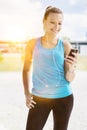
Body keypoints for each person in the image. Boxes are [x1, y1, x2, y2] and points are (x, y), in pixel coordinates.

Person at [22, 6, 78, 130]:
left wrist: (72, 67)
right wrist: (26, 93)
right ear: (44, 21)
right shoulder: (32, 44)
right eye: (52, 22)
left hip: (64, 97)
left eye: (59, 23)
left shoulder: (65, 45)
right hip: (39, 98)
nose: (56, 27)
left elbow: (69, 78)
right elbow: (26, 69)